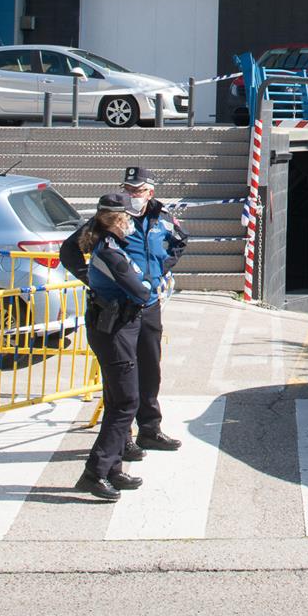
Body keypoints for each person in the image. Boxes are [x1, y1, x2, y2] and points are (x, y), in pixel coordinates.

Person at [67, 192, 157, 501]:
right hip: (114, 332)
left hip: (116, 328)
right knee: (125, 404)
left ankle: (114, 467)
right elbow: (141, 290)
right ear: (117, 221)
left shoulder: (107, 245)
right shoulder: (111, 253)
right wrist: (147, 283)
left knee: (116, 398)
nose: (131, 223)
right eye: (128, 219)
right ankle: (95, 471)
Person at [120, 165, 187, 452]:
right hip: (119, 307)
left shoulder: (163, 218)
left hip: (149, 305)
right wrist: (94, 279)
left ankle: (150, 428)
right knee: (123, 372)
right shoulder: (113, 216)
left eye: (138, 190)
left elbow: (181, 242)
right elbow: (75, 249)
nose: (132, 194)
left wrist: (162, 267)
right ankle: (121, 436)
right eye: (128, 189)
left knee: (150, 367)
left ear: (150, 192)